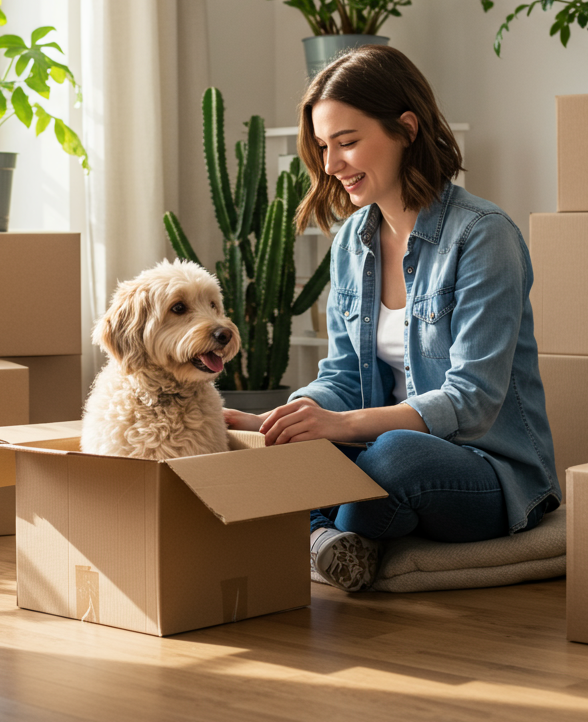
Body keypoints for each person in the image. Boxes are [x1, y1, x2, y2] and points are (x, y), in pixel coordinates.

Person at [223, 45, 561, 592]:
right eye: (324, 147)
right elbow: (342, 380)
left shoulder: (482, 236)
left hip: (486, 471)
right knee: (296, 447)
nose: (331, 165)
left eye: (348, 142)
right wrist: (283, 422)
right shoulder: (352, 243)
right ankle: (341, 537)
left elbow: (472, 399)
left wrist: (339, 427)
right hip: (376, 448)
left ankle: (320, 530)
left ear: (405, 129)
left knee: (393, 457)